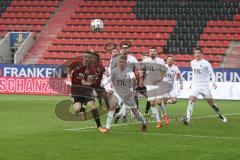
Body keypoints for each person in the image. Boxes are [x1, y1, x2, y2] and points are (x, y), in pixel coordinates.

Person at [100, 55, 147, 133]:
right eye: (120, 62)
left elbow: (132, 77)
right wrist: (103, 83)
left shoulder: (129, 71)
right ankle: (107, 128)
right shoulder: (114, 71)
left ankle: (144, 123)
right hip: (118, 93)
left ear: (126, 63)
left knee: (135, 113)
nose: (122, 63)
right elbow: (109, 79)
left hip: (127, 94)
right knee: (112, 107)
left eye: (123, 62)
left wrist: (134, 80)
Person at [183, 47, 227, 125]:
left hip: (204, 86)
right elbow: (194, 74)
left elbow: (212, 74)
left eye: (198, 53)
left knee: (211, 103)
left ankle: (220, 114)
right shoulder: (192, 62)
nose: (197, 54)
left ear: (201, 54)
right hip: (195, 86)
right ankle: (188, 118)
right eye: (195, 53)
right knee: (191, 100)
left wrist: (214, 82)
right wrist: (192, 83)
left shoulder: (206, 63)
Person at [67, 51, 106, 132]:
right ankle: (82, 109)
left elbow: (92, 82)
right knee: (77, 109)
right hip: (76, 90)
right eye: (86, 57)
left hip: (86, 91)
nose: (87, 59)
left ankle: (99, 126)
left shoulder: (92, 68)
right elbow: (68, 69)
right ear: (83, 57)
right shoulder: (75, 62)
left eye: (89, 58)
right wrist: (68, 78)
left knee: (92, 107)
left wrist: (87, 83)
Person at [142, 47, 170, 128]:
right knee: (152, 103)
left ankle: (164, 116)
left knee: (158, 102)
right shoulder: (146, 61)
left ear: (156, 52)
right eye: (150, 51)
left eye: (153, 51)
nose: (152, 52)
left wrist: (160, 78)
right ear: (149, 52)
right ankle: (159, 122)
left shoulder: (160, 61)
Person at [161, 55, 183, 124]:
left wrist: (181, 84)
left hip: (171, 87)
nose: (170, 60)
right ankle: (164, 116)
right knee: (163, 102)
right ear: (166, 60)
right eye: (169, 59)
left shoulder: (175, 68)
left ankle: (165, 103)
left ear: (173, 61)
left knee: (174, 100)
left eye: (171, 59)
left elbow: (179, 76)